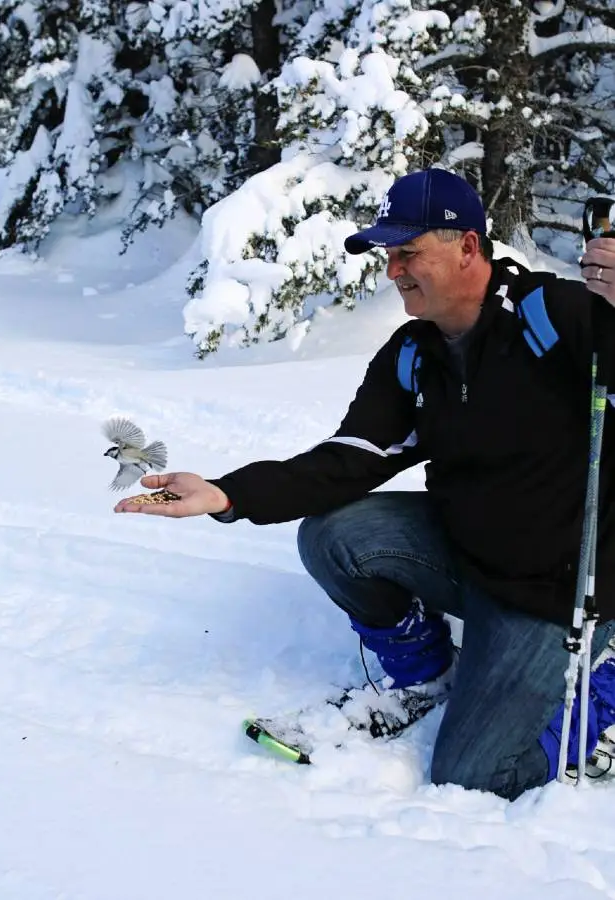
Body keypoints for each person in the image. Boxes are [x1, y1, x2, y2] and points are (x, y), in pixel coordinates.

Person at [115, 168, 615, 800]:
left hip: (561, 592)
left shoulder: (553, 316)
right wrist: (227, 493)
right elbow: (347, 460)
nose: (393, 270)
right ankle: (427, 673)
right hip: (474, 558)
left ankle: (606, 687)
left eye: (409, 253)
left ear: (467, 246)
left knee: (476, 776)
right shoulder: (413, 353)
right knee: (336, 534)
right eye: (388, 255)